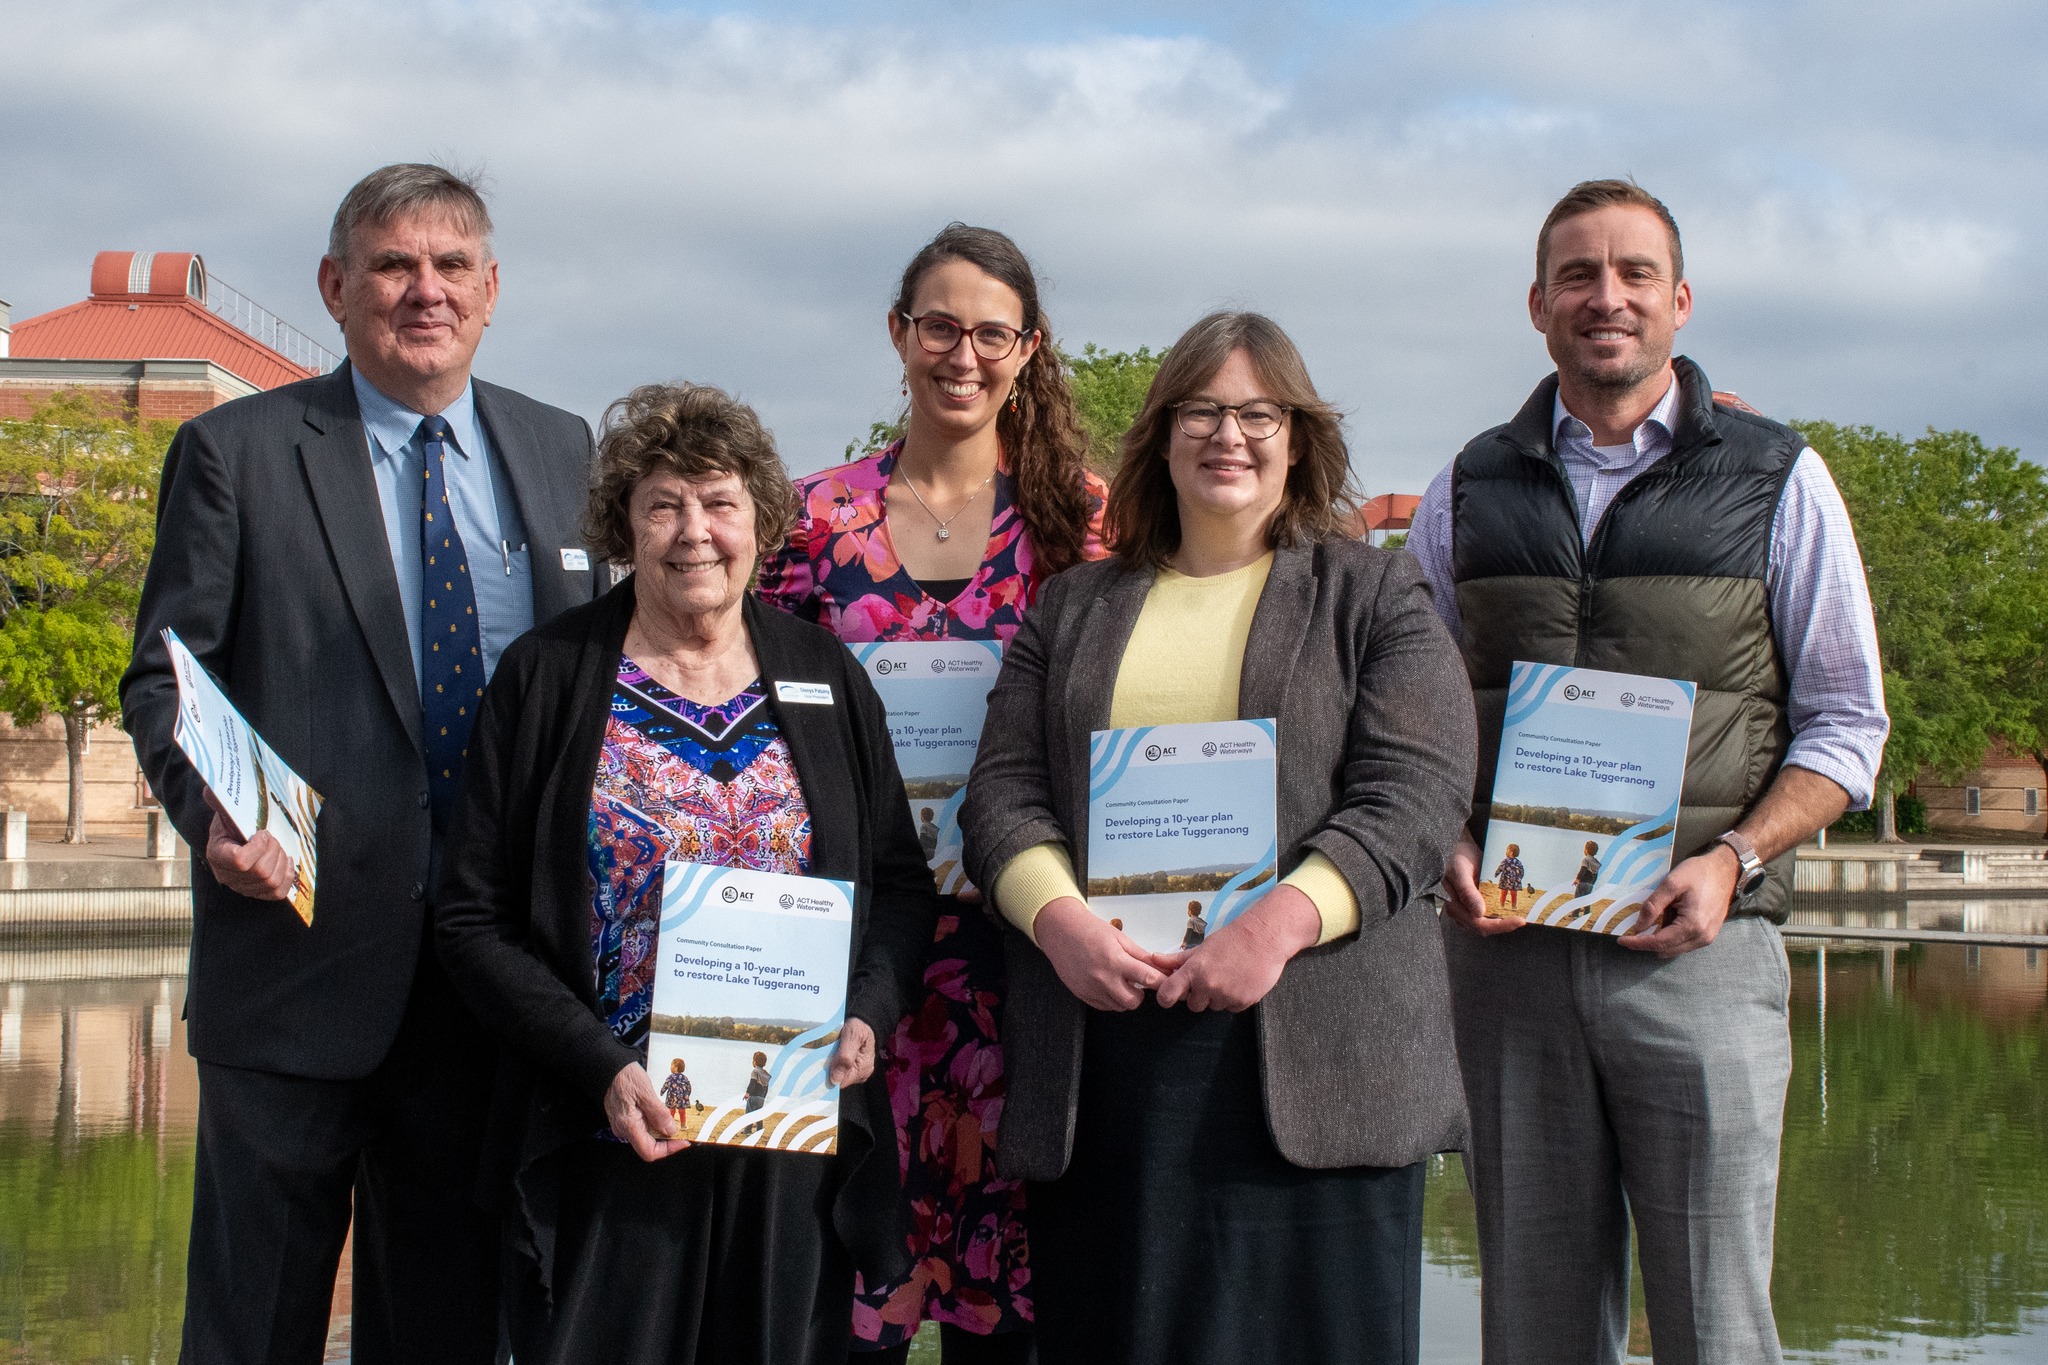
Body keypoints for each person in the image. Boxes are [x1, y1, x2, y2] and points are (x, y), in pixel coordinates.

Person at [119, 163, 602, 1365]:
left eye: (450, 267)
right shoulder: (236, 451)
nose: (422, 291)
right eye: (393, 265)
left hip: (490, 985)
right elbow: (166, 684)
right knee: (254, 1326)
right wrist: (217, 823)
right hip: (294, 962)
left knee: (441, 1323)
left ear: (492, 290)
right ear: (336, 287)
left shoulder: (560, 450)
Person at [1411, 178, 1890, 1365]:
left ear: (1678, 301)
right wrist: (1445, 843)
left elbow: (1846, 727)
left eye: (1632, 274)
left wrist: (1733, 862)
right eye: (1576, 274)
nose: (1604, 297)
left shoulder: (1780, 480)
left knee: (1715, 1326)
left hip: (1702, 956)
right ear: (1535, 304)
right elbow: (1404, 723)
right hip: (1507, 960)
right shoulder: (1464, 487)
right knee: (1531, 1326)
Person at [960, 311, 1477, 1365]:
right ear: (1159, 436)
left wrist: (1277, 926)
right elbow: (1002, 795)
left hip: (1320, 1059)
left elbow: (1414, 795)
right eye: (1199, 410)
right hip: (1108, 1057)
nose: (1226, 434)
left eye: (1256, 412)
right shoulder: (1070, 608)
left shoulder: (1373, 592)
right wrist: (1058, 923)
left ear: (1298, 436)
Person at [433, 381, 939, 1365]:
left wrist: (870, 1013)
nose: (693, 532)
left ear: (761, 519)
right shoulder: (548, 679)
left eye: (719, 503)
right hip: (614, 1128)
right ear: (623, 524)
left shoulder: (824, 676)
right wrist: (599, 1067)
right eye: (662, 504)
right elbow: (470, 917)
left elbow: (900, 883)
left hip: (789, 1131)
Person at [759, 222, 1109, 1364]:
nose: (963, 354)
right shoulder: (808, 521)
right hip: (857, 960)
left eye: (991, 333)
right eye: (939, 326)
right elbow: (753, 725)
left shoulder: (1081, 523)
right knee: (838, 1304)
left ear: (1029, 348)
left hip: (1028, 958)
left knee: (1009, 1318)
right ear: (899, 335)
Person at [662, 1056, 695, 1129]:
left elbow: (666, 1085)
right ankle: (683, 1126)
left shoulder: (671, 1077)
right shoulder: (685, 1077)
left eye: (671, 1065)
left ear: (676, 1068)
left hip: (672, 1098)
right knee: (682, 1112)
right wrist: (687, 1095)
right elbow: (689, 1087)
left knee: (671, 1112)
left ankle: (671, 1126)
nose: (670, 1067)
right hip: (682, 1098)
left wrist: (662, 1091)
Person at [1492, 844, 1525, 914]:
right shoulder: (1512, 861)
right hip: (1510, 880)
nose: (1506, 851)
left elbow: (1521, 870)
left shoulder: (1511, 861)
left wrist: (1496, 873)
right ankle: (1507, 906)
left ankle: (1508, 906)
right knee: (1508, 893)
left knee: (1508, 893)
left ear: (1511, 852)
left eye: (1507, 850)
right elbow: (1500, 868)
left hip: (1509, 880)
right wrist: (1520, 878)